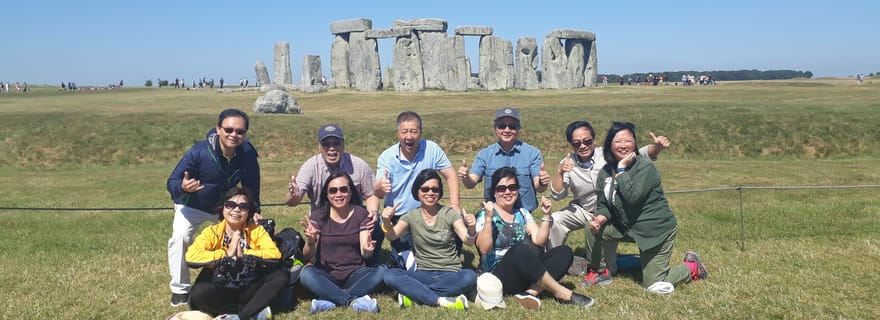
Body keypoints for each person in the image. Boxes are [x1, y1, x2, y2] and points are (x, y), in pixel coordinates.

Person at [547, 120, 669, 286]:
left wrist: (657, 147)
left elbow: (638, 153)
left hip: (611, 211)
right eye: (577, 143)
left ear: (594, 139)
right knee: (556, 219)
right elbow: (557, 195)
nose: (583, 146)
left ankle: (628, 261)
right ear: (571, 144)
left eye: (587, 141)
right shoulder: (568, 162)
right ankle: (550, 263)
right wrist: (560, 172)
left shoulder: (607, 153)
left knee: (611, 268)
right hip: (583, 209)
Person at [590, 122, 707, 294]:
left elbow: (632, 198)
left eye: (628, 140)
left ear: (634, 144)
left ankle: (692, 267)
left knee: (654, 285)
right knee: (591, 228)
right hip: (626, 227)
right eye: (617, 141)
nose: (623, 145)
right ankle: (602, 271)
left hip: (654, 231)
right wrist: (600, 218)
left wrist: (621, 170)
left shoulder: (645, 166)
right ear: (609, 145)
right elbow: (603, 204)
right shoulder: (606, 171)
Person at [166, 109, 261, 307]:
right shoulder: (198, 152)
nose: (233, 135)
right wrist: (182, 187)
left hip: (226, 208)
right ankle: (180, 290)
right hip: (193, 205)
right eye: (228, 129)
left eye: (240, 131)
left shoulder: (248, 153)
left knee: (243, 238)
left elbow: (252, 184)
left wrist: (254, 209)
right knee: (180, 237)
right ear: (218, 129)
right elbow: (172, 181)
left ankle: (234, 281)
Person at [475, 167, 594, 309]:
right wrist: (489, 218)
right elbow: (483, 248)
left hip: (525, 272)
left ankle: (530, 292)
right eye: (501, 188)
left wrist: (546, 215)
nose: (507, 192)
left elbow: (539, 241)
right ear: (494, 192)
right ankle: (561, 292)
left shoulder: (522, 213)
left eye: (512, 187)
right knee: (520, 250)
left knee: (564, 252)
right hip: (498, 277)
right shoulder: (485, 214)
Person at [381, 169, 477, 310]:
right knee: (389, 274)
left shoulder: (449, 214)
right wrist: (386, 222)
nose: (430, 193)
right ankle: (442, 300)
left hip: (451, 273)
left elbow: (468, 241)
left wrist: (472, 228)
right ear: (417, 192)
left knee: (470, 276)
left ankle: (415, 294)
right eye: (425, 189)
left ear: (440, 192)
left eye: (435, 189)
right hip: (422, 273)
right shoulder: (411, 216)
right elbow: (392, 235)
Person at [185, 187, 285, 320]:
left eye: (243, 206)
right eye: (231, 205)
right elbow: (191, 256)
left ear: (248, 211)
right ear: (223, 208)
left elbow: (274, 254)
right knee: (198, 293)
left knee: (281, 276)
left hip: (249, 285)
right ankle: (252, 311)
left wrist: (244, 254)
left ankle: (241, 316)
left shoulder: (256, 231)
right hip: (222, 287)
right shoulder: (212, 232)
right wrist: (226, 253)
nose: (236, 210)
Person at [374, 111, 460, 255]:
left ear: (420, 133)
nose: (409, 136)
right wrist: (380, 186)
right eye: (405, 132)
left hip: (430, 212)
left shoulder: (432, 149)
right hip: (400, 217)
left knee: (456, 221)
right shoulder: (387, 157)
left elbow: (451, 175)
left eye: (414, 131)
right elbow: (377, 192)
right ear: (398, 133)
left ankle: (451, 260)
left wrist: (455, 205)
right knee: (406, 262)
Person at [298, 173, 384, 314]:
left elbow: (365, 253)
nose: (338, 194)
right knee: (306, 274)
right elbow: (307, 256)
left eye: (343, 189)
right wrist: (311, 242)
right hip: (326, 274)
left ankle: (329, 298)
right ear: (326, 194)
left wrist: (368, 250)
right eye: (333, 190)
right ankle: (351, 301)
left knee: (382, 271)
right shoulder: (318, 216)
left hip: (355, 274)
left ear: (350, 192)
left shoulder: (361, 213)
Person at [459, 107, 550, 212]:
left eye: (512, 126)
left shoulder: (532, 153)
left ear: (518, 128)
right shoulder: (484, 154)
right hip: (493, 215)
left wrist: (543, 182)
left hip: (524, 215)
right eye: (502, 126)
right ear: (495, 128)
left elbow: (539, 187)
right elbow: (471, 183)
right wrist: (465, 177)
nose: (507, 130)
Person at [286, 123, 379, 214]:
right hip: (321, 222)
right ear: (319, 147)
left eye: (336, 143)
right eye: (326, 144)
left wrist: (372, 213)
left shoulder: (359, 165)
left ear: (343, 145)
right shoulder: (310, 166)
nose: (331, 148)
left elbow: (371, 195)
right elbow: (292, 202)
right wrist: (293, 196)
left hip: (354, 222)